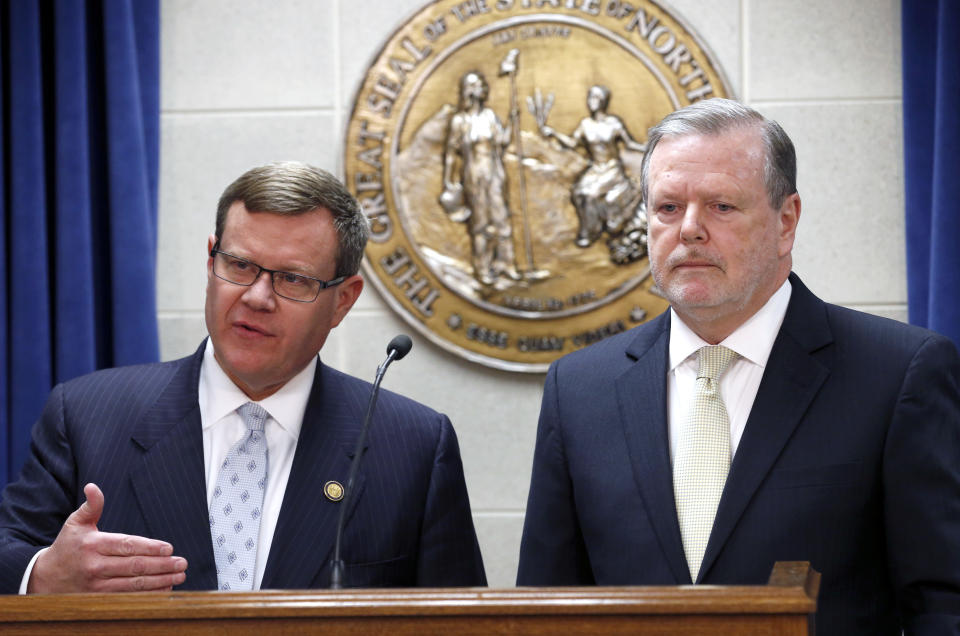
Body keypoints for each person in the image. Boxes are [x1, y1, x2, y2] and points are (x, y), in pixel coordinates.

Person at [516, 98, 960, 635]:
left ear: (786, 221)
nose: (690, 230)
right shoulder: (580, 389)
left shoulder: (897, 374)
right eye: (668, 208)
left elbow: (942, 606)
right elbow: (545, 609)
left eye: (721, 206)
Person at [0, 162, 486, 593]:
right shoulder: (87, 415)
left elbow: (460, 623)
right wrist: (43, 575)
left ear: (343, 300)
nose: (256, 297)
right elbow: (9, 549)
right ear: (212, 260)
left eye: (293, 278)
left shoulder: (414, 446)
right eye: (239, 265)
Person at [539, 84, 647, 249]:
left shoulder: (614, 123)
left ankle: (590, 232)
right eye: (589, 97)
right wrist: (553, 133)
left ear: (603, 101)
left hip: (611, 169)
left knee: (590, 194)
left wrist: (650, 147)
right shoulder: (586, 124)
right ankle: (590, 227)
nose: (591, 102)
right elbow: (573, 143)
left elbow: (630, 144)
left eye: (595, 98)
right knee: (577, 193)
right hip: (595, 169)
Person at [442, 70, 522, 286]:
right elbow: (450, 153)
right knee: (480, 223)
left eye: (481, 83)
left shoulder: (489, 116)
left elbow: (502, 142)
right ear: (468, 90)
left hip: (495, 173)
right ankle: (483, 268)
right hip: (474, 175)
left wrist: (512, 123)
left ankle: (507, 264)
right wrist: (448, 180)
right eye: (476, 84)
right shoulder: (459, 121)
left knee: (501, 218)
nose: (482, 87)